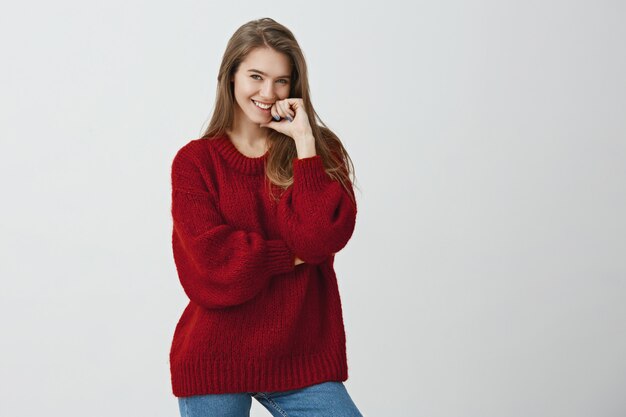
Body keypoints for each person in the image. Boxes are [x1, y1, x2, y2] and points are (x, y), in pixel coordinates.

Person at [169, 17, 363, 417]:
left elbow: (320, 239)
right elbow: (212, 264)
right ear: (231, 77)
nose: (267, 92)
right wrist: (287, 256)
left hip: (301, 358)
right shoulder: (195, 162)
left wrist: (306, 144)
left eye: (281, 80)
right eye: (256, 76)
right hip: (215, 359)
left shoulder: (318, 150)